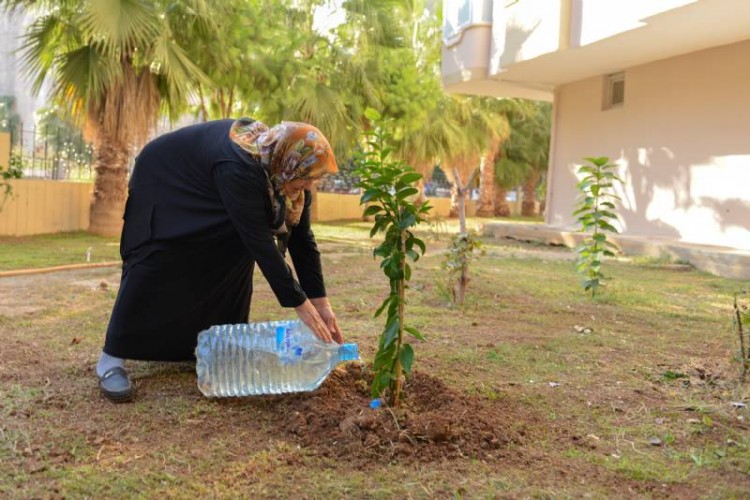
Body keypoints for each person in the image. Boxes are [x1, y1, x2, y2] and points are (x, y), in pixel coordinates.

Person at [96, 118, 344, 402]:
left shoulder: (290, 175)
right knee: (158, 255)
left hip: (209, 184)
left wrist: (321, 302)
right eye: (308, 177)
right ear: (288, 164)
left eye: (314, 178)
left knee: (231, 253)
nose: (310, 185)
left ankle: (207, 345)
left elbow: (302, 239)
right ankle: (110, 360)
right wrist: (301, 305)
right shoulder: (240, 166)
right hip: (167, 179)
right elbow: (261, 244)